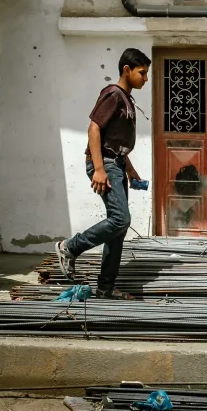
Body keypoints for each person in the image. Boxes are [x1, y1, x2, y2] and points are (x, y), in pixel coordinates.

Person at [55, 48, 151, 300]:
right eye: (142, 73)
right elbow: (94, 129)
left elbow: (115, 140)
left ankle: (105, 288)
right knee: (121, 220)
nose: (146, 79)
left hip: (115, 164)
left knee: (118, 229)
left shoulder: (127, 99)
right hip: (105, 165)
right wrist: (99, 168)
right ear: (127, 70)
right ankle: (70, 247)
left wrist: (130, 170)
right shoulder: (113, 94)